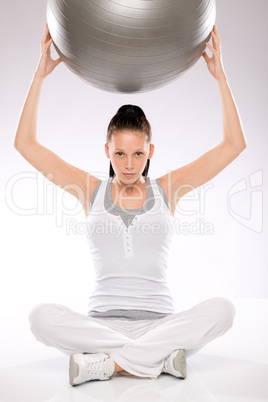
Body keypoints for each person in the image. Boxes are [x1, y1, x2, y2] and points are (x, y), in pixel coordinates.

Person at [14, 23, 246, 386]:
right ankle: (159, 358)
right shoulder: (89, 191)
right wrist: (39, 74)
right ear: (107, 150)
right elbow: (26, 145)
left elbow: (233, 145)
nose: (128, 164)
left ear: (150, 152)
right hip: (100, 324)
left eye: (138, 153)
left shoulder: (167, 190)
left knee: (224, 310)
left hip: (162, 322)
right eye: (120, 153)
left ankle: (108, 365)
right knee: (39, 316)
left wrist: (220, 77)